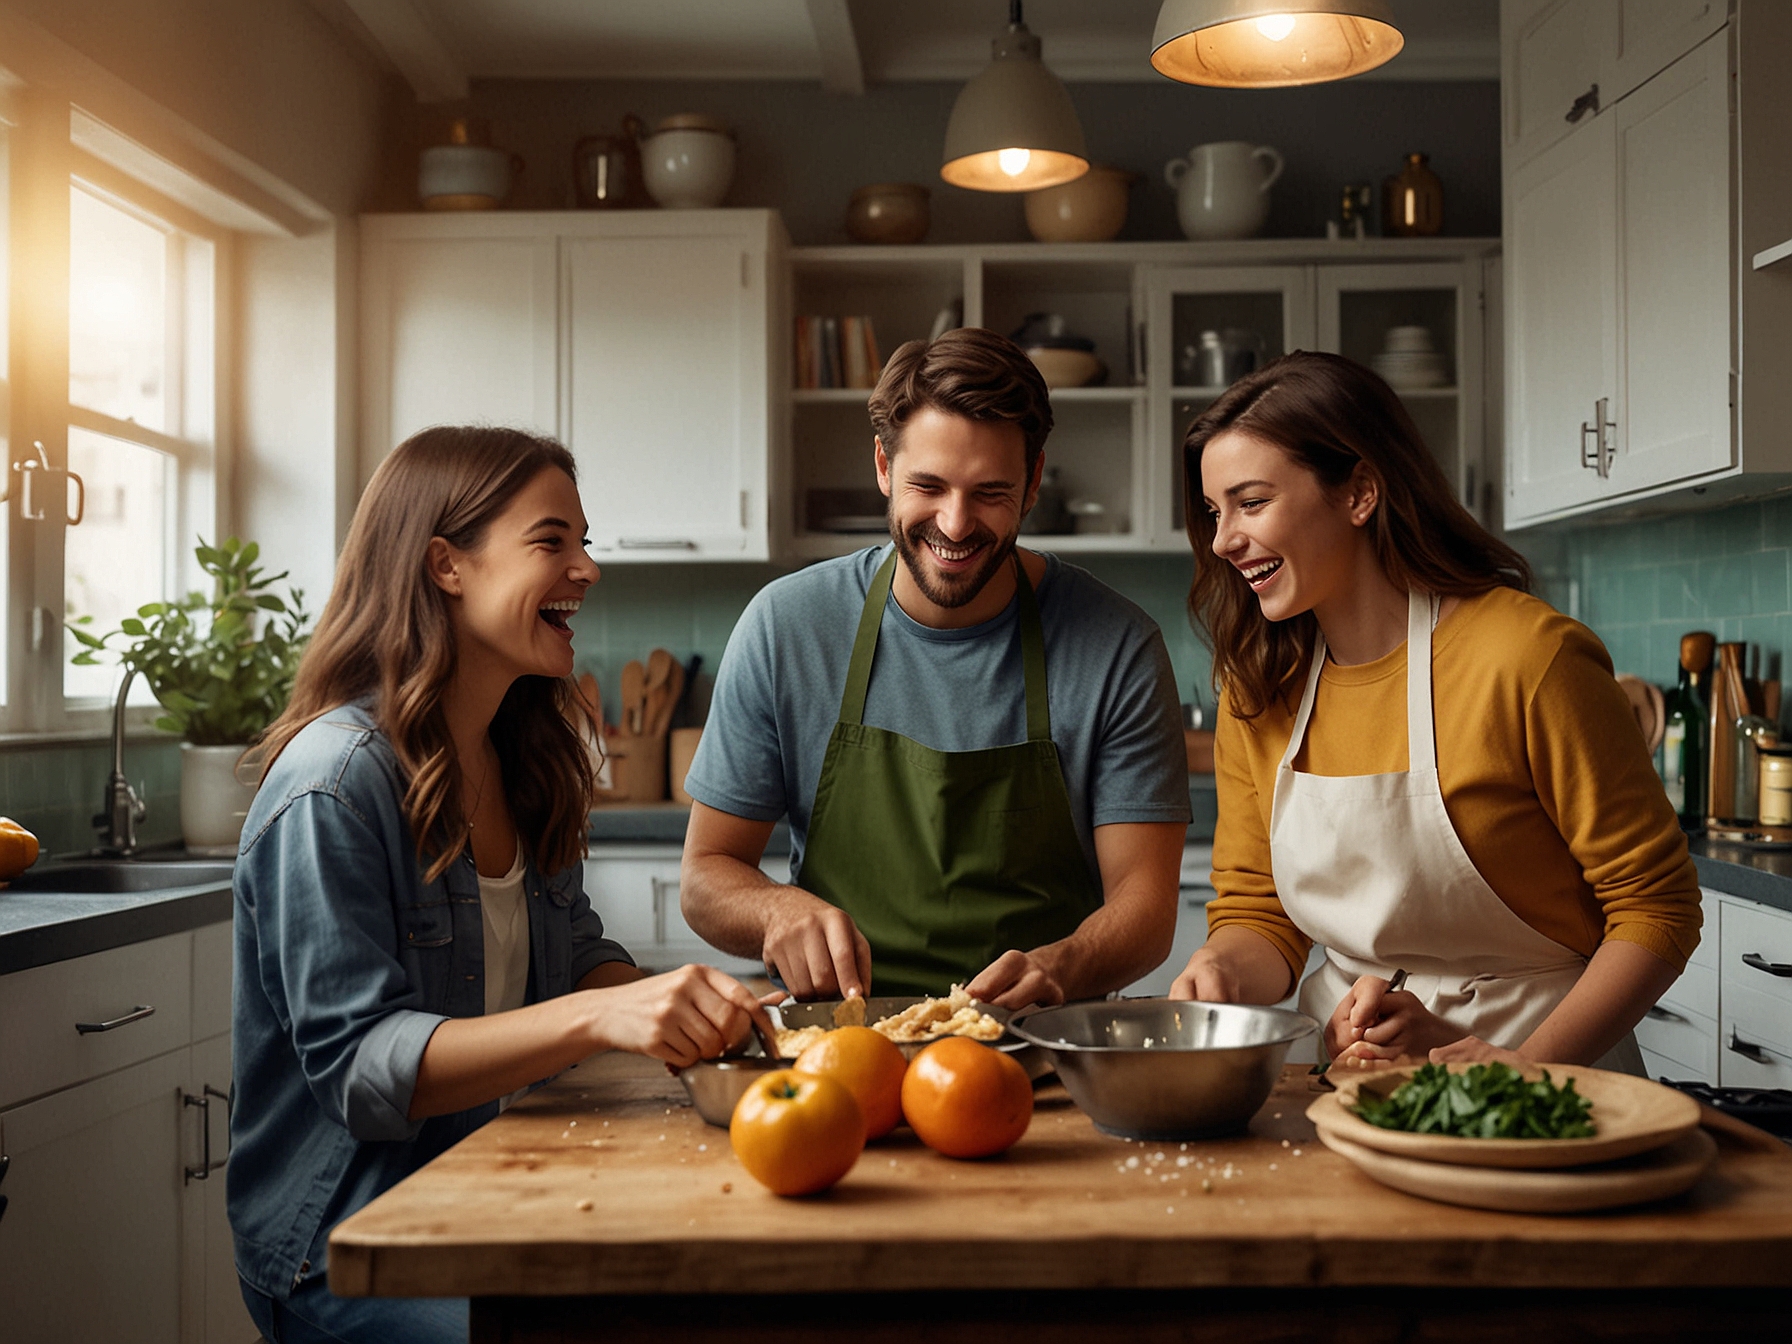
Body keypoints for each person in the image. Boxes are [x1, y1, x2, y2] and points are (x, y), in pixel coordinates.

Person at [229, 426, 772, 1344]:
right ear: (447, 564)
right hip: (348, 1239)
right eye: (552, 541)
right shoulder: (335, 783)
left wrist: (676, 1002)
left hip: (486, 1182)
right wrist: (603, 1021)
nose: (587, 569)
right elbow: (364, 1070)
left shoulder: (522, 753)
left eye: (584, 542)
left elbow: (575, 953)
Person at [1169, 351, 1701, 1072]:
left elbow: (1657, 907)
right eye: (1213, 511)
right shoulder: (1260, 687)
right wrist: (1223, 972)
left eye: (1251, 502)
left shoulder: (1526, 658)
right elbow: (1258, 912)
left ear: (1359, 492)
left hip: (1549, 1073)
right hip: (1346, 1078)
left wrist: (1523, 1071)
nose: (1224, 539)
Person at [679, 327, 1191, 1007]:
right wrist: (776, 910)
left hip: (1047, 1048)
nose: (954, 524)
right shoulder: (787, 627)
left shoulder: (1118, 647)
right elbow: (705, 875)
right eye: (929, 485)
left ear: (1033, 481)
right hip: (842, 1050)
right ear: (885, 468)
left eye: (990, 492)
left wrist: (1064, 967)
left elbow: (1147, 908)